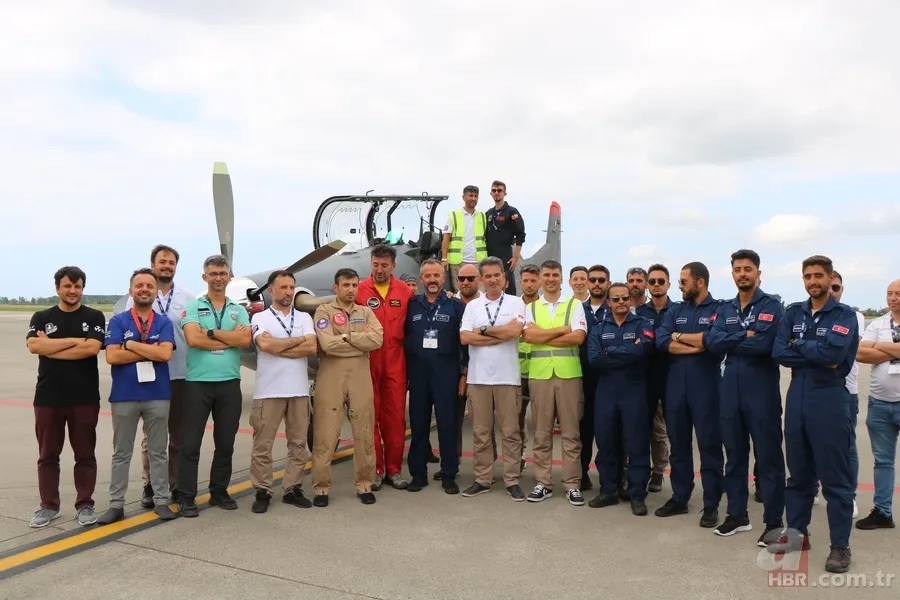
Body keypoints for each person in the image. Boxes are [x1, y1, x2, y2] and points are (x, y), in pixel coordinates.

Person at [769, 255, 859, 574]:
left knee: (835, 478)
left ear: (830, 277)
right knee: (799, 475)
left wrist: (799, 345)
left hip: (830, 398)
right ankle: (797, 534)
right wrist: (810, 350)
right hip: (798, 397)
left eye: (818, 275)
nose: (812, 281)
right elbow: (779, 352)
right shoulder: (794, 311)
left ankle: (840, 547)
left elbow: (835, 355)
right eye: (807, 275)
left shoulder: (844, 314)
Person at [703, 250, 785, 545]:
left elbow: (765, 344)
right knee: (734, 456)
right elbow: (712, 342)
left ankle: (774, 522)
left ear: (758, 274)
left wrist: (734, 338)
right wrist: (745, 334)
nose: (742, 274)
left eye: (748, 269)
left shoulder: (772, 306)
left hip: (760, 390)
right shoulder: (725, 308)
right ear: (733, 273)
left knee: (769, 458)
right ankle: (737, 515)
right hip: (730, 390)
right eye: (738, 269)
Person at [115, 244, 194, 508]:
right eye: (162, 262)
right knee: (151, 437)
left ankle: (174, 485)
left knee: (177, 436)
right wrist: (146, 349)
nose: (167, 266)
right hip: (146, 375)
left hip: (179, 372)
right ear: (153, 264)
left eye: (171, 263)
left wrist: (134, 347)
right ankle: (150, 484)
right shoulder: (139, 295)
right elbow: (128, 331)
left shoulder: (187, 297)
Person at [26, 266, 106, 528]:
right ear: (57, 288)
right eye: (67, 286)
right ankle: (48, 506)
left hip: (83, 397)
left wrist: (52, 346)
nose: (73, 291)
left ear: (82, 288)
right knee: (48, 455)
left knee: (85, 454)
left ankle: (85, 504)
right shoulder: (41, 316)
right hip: (48, 397)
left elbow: (92, 348)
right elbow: (35, 346)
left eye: (78, 286)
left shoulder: (94, 316)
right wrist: (74, 341)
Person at [98, 268, 177, 524]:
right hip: (124, 395)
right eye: (139, 285)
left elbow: (165, 355)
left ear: (156, 291)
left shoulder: (164, 322)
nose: (144, 289)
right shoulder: (119, 321)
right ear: (131, 290)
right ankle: (116, 504)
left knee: (158, 451)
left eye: (149, 286)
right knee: (121, 452)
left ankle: (162, 501)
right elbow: (112, 356)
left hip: (157, 394)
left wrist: (130, 344)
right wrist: (149, 349)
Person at [177, 255, 252, 518]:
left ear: (230, 276)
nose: (218, 277)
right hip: (198, 384)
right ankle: (186, 496)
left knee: (225, 443)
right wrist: (227, 338)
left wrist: (211, 333)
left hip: (229, 384)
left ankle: (219, 490)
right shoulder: (194, 307)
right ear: (204, 277)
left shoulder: (238, 309)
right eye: (213, 273)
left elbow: (245, 339)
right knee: (190, 444)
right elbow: (193, 339)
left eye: (223, 273)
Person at [654, 261, 725, 527]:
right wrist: (696, 345)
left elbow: (717, 341)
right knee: (679, 446)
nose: (680, 286)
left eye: (683, 281)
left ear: (700, 282)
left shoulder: (719, 309)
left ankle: (711, 504)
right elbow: (662, 340)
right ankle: (680, 497)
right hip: (676, 389)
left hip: (706, 388)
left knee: (709, 447)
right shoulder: (675, 310)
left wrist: (680, 336)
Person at [312, 268, 384, 506]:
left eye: (354, 285)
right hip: (330, 377)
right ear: (336, 287)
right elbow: (327, 344)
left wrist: (343, 337)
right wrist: (356, 339)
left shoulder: (365, 311)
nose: (351, 290)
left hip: (359, 377)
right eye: (346, 285)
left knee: (363, 431)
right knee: (326, 434)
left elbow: (377, 340)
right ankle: (321, 488)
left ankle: (364, 483)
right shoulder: (324, 310)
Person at [249, 270, 318, 513]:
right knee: (262, 445)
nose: (288, 292)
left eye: (291, 287)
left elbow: (312, 345)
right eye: (283, 287)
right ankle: (262, 489)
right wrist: (295, 342)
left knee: (298, 443)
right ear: (271, 290)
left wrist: (279, 347)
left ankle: (292, 488)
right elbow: (264, 345)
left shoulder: (304, 318)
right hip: (268, 392)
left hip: (298, 391)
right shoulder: (260, 318)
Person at [459, 257, 527, 500]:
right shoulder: (472, 307)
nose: (492, 279)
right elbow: (466, 338)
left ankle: (511, 479)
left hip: (507, 378)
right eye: (487, 276)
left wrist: (485, 331)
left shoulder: (516, 303)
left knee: (510, 432)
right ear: (481, 280)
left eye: (496, 275)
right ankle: (483, 478)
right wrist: (501, 334)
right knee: (481, 432)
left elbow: (515, 332)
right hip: (478, 379)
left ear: (504, 278)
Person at [523, 260, 588, 506]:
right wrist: (562, 330)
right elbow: (529, 336)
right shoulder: (533, 307)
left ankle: (572, 483)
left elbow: (579, 337)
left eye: (555, 275)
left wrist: (545, 336)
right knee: (541, 432)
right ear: (540, 279)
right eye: (546, 274)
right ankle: (543, 482)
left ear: (561, 279)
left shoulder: (575, 305)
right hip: (540, 375)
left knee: (571, 433)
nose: (551, 278)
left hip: (569, 374)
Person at [586, 282, 654, 515]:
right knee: (606, 442)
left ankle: (637, 494)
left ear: (630, 300)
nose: (621, 302)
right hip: (606, 392)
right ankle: (608, 490)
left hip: (634, 391)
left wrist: (611, 352)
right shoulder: (598, 327)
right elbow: (595, 359)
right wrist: (626, 349)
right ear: (608, 302)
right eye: (616, 299)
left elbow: (643, 351)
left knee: (636, 444)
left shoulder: (643, 325)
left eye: (625, 298)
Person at [405, 259, 467, 493]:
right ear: (421, 279)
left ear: (443, 278)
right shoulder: (412, 305)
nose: (432, 280)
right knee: (418, 424)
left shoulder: (456, 306)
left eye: (437, 275)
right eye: (427, 276)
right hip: (419, 373)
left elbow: (465, 343)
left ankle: (449, 473)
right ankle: (418, 474)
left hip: (446, 373)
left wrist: (464, 372)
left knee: (447, 424)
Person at [355, 244, 413, 490]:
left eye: (384, 265)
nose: (379, 270)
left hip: (395, 364)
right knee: (370, 418)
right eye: (375, 265)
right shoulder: (358, 290)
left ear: (393, 266)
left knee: (395, 419)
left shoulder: (404, 292)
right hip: (368, 362)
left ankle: (394, 469)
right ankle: (375, 470)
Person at [855, 278, 900, 530]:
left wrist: (879, 348)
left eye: (898, 294)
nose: (892, 298)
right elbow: (861, 353)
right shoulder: (880, 323)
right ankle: (883, 512)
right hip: (880, 403)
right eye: (889, 293)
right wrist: (895, 348)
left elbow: (871, 350)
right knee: (883, 461)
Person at [825, 271, 863, 519]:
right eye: (828, 288)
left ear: (842, 289)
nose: (832, 293)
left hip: (846, 391)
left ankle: (850, 495)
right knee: (816, 444)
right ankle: (820, 487)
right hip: (815, 391)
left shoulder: (853, 315)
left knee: (847, 447)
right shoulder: (810, 315)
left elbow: (834, 355)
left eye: (836, 288)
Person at [635, 264, 672, 494]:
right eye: (653, 282)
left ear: (668, 284)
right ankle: (640, 472)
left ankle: (659, 471)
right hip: (644, 379)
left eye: (661, 281)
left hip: (670, 378)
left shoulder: (678, 311)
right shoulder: (639, 313)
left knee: (664, 432)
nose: (656, 285)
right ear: (648, 286)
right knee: (641, 428)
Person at [579, 264, 610, 491]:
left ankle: (609, 478)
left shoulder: (617, 308)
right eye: (593, 280)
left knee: (608, 432)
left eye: (601, 280)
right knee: (584, 430)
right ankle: (581, 474)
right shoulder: (578, 309)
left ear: (608, 283)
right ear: (587, 284)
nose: (597, 284)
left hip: (609, 379)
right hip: (583, 378)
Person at [517, 263, 541, 473]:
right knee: (516, 419)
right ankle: (519, 456)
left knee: (542, 421)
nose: (529, 284)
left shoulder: (545, 308)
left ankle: (543, 463)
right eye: (526, 280)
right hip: (516, 372)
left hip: (540, 371)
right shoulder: (513, 306)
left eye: (534, 280)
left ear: (540, 282)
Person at [441, 185, 487, 291]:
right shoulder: (454, 216)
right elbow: (446, 239)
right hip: (458, 262)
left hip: (478, 261)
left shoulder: (482, 216)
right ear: (463, 197)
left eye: (476, 196)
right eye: (470, 195)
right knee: (460, 293)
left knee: (479, 293)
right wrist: (444, 258)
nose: (473, 198)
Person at [484, 180, 526, 295]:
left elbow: (520, 234)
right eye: (494, 190)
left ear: (504, 193)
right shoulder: (488, 214)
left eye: (499, 190)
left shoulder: (511, 211)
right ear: (491, 193)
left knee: (508, 286)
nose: (496, 193)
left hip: (506, 256)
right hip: (490, 255)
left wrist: (516, 257)